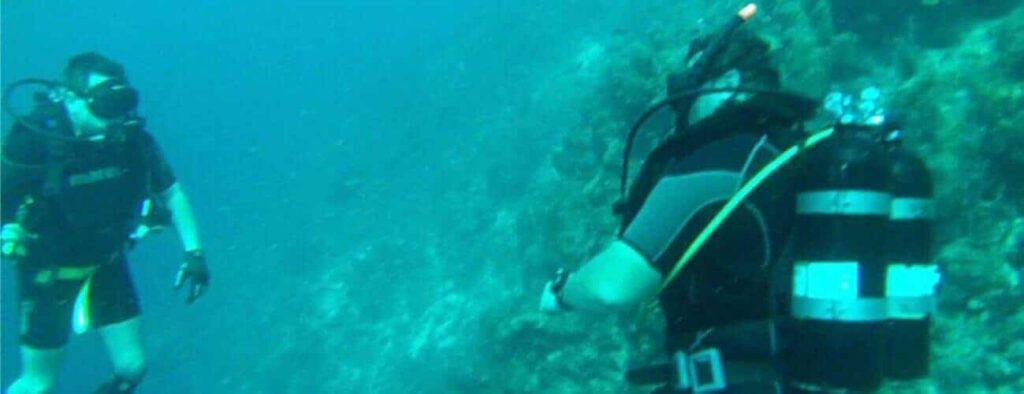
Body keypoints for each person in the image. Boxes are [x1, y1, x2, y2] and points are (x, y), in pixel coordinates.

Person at [1, 52, 211, 394]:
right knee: (38, 382)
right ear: (71, 98)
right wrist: (7, 228)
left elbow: (171, 192)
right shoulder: (36, 138)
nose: (117, 114)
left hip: (105, 261)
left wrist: (194, 253)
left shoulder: (132, 140)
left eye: (122, 100)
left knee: (132, 367)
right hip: (47, 270)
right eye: (106, 102)